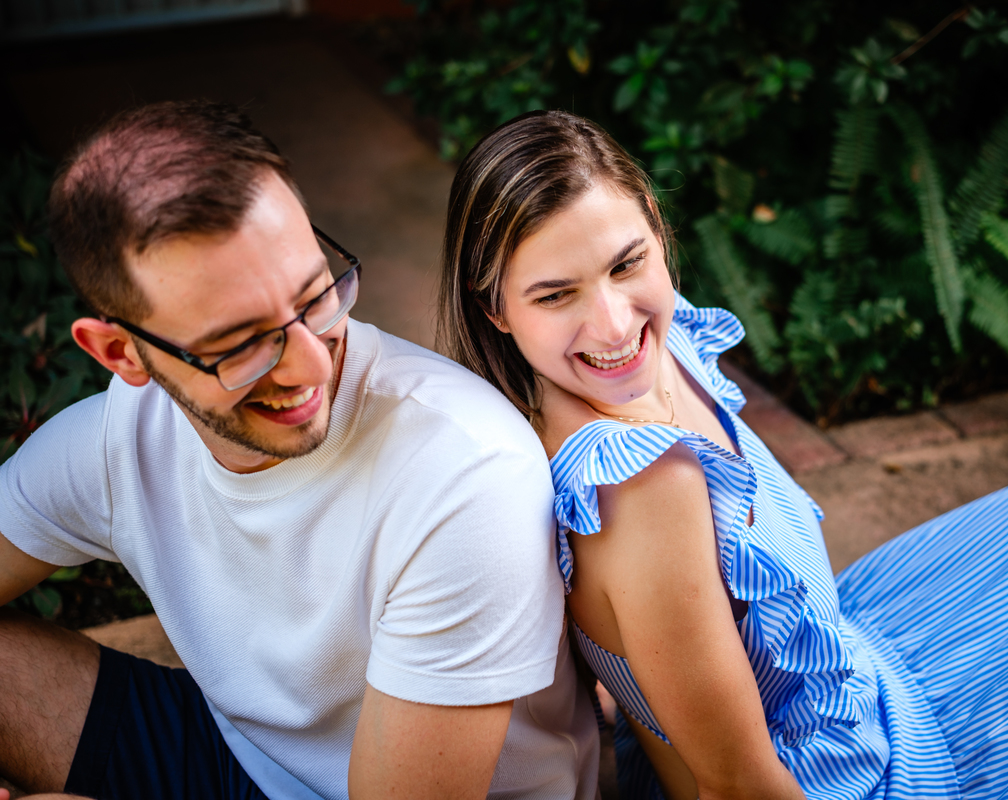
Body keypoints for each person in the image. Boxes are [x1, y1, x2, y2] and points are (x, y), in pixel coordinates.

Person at [438, 109, 1008, 800]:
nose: (611, 324)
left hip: (840, 658)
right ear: (494, 309)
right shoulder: (642, 486)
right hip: (844, 775)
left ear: (659, 232)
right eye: (555, 294)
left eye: (626, 264)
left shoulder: (657, 346)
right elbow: (739, 782)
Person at [0, 100, 599, 800]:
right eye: (241, 344)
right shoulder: (117, 439)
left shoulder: (465, 476)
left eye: (316, 297)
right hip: (237, 758)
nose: (312, 365)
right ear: (121, 352)